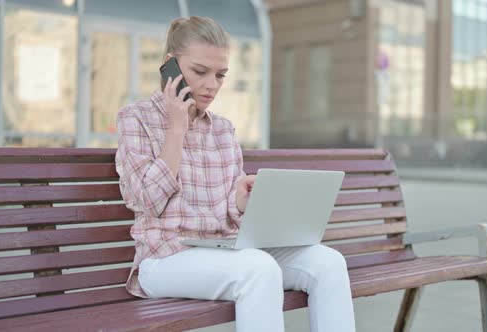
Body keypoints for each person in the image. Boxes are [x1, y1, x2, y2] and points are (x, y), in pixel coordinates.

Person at [115, 16, 356, 332]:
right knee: (257, 269)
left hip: (225, 251)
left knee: (328, 263)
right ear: (169, 66)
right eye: (200, 72)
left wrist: (241, 202)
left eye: (220, 75)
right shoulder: (135, 119)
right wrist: (177, 128)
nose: (212, 85)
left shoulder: (224, 130)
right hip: (164, 259)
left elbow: (229, 216)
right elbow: (145, 200)